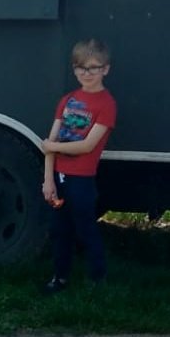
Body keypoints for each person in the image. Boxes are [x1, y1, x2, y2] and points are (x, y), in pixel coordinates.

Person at [39, 38, 117, 293]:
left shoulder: (106, 104)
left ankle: (98, 278)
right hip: (59, 179)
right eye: (80, 68)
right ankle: (59, 278)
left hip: (82, 180)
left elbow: (87, 146)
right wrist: (48, 180)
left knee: (85, 230)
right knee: (59, 230)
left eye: (93, 67)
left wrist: (53, 147)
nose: (86, 73)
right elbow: (52, 140)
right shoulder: (68, 100)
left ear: (105, 69)